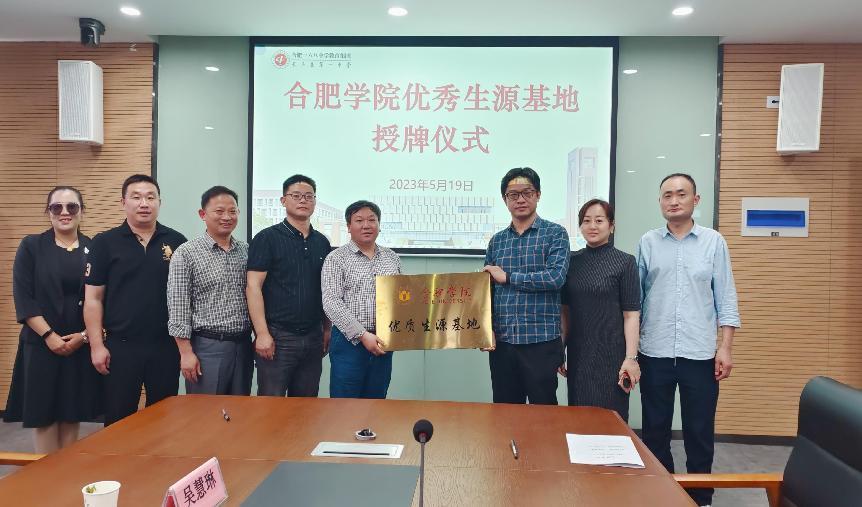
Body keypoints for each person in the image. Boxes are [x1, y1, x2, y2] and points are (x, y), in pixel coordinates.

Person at [637, 173, 740, 507]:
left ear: (696, 200)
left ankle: (701, 498)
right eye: (667, 195)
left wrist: (725, 347)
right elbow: (636, 301)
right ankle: (662, 494)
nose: (674, 200)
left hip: (699, 353)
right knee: (655, 431)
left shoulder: (714, 242)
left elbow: (726, 297)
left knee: (699, 432)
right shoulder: (648, 242)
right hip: (654, 351)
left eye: (681, 194)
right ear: (660, 202)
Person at [3, 187, 101, 452]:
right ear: (48, 212)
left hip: (77, 344)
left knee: (71, 413)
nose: (64, 212)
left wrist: (84, 337)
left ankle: (67, 472)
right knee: (44, 416)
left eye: (72, 207)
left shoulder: (94, 248)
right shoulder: (32, 246)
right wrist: (49, 336)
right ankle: (46, 472)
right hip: (40, 344)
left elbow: (102, 298)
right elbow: (23, 297)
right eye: (57, 207)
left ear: (82, 211)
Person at [84, 174, 187, 425]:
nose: (144, 203)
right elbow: (93, 299)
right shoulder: (104, 242)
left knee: (163, 419)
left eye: (151, 197)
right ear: (123, 202)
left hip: (165, 346)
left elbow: (186, 296)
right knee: (119, 419)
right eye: (136, 197)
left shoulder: (177, 242)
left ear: (160, 202)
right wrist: (96, 346)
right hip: (121, 347)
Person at [482, 167, 569, 405]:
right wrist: (485, 329)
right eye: (513, 194)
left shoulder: (555, 234)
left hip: (541, 341)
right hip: (503, 342)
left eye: (527, 193)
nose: (520, 199)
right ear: (505, 200)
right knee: (505, 411)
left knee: (544, 412)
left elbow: (555, 278)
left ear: (538, 195)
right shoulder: (497, 241)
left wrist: (508, 277)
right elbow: (486, 291)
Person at [246, 175, 332, 397]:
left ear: (315, 201)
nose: (303, 200)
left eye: (309, 196)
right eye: (296, 195)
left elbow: (326, 289)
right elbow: (253, 287)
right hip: (278, 337)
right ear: (283, 200)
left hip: (313, 337)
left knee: (306, 406)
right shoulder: (266, 238)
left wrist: (326, 329)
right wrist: (262, 334)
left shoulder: (322, 242)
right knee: (271, 406)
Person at [559, 199, 640, 422]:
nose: (592, 226)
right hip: (579, 354)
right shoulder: (571, 262)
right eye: (586, 221)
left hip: (612, 355)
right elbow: (565, 312)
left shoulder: (625, 262)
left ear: (611, 226)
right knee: (579, 418)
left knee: (611, 420)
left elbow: (631, 315)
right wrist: (560, 350)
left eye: (599, 220)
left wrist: (631, 358)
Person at [167, 186, 252, 395]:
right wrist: (185, 353)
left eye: (232, 211)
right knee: (205, 411)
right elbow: (178, 305)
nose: (227, 217)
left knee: (242, 410)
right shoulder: (186, 253)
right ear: (202, 214)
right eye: (219, 211)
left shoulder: (247, 251)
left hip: (243, 346)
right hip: (207, 347)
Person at [321, 200, 402, 399]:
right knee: (345, 404)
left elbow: (401, 298)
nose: (366, 225)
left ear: (379, 225)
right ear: (349, 227)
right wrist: (362, 334)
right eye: (359, 220)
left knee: (377, 400)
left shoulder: (392, 258)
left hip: (383, 341)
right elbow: (331, 302)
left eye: (372, 220)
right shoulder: (336, 258)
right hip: (349, 342)